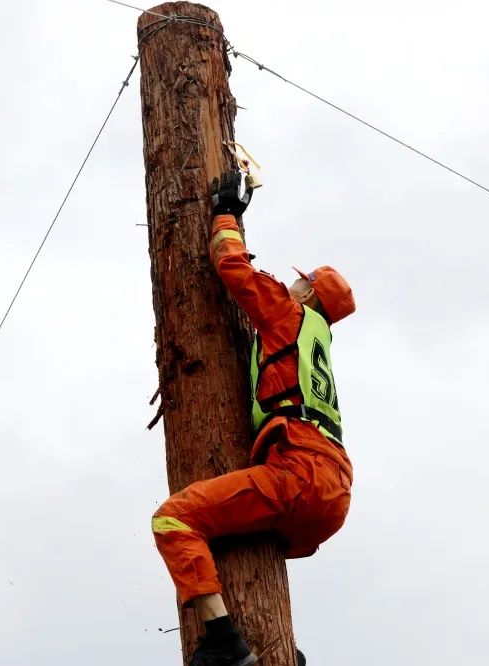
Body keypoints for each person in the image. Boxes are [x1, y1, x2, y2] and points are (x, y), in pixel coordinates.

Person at [151, 170, 355, 666]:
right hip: (334, 490)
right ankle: (283, 648)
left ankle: (223, 641)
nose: (293, 282)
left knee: (173, 518)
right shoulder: (317, 342)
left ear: (309, 294)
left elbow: (232, 266)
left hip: (298, 471)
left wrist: (226, 214)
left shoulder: (288, 313)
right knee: (245, 539)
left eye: (301, 280)